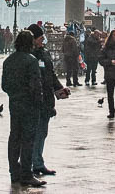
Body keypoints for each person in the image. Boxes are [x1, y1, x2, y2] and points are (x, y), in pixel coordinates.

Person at [2, 30, 46, 187]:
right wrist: (38, 102)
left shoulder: (8, 61)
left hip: (14, 104)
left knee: (14, 138)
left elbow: (4, 85)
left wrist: (15, 95)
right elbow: (36, 85)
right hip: (29, 105)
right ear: (30, 43)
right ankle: (27, 174)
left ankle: (14, 172)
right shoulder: (31, 60)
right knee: (28, 140)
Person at [28, 23, 69, 179]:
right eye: (40, 38)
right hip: (34, 101)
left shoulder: (44, 53)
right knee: (34, 133)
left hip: (46, 99)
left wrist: (59, 89)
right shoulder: (28, 56)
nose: (43, 40)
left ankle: (38, 163)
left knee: (42, 133)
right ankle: (30, 164)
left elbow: (50, 74)